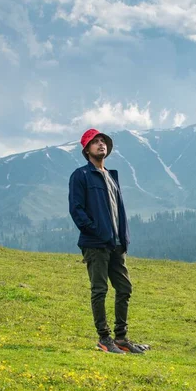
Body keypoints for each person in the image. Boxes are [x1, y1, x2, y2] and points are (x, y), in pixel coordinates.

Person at [69, 128, 148, 355]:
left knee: (124, 288)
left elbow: (118, 211)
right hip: (95, 244)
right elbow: (76, 209)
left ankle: (121, 338)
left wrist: (123, 238)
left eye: (103, 141)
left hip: (116, 244)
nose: (101, 144)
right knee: (100, 290)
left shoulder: (111, 177)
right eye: (95, 142)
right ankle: (104, 339)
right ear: (87, 150)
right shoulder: (81, 175)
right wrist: (95, 231)